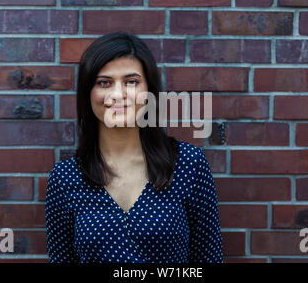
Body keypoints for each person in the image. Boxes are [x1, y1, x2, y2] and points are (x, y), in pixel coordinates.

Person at [45, 31, 223, 263]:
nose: (118, 94)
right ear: (88, 92)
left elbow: (208, 259)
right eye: (104, 82)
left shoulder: (188, 163)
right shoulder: (65, 178)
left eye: (131, 82)